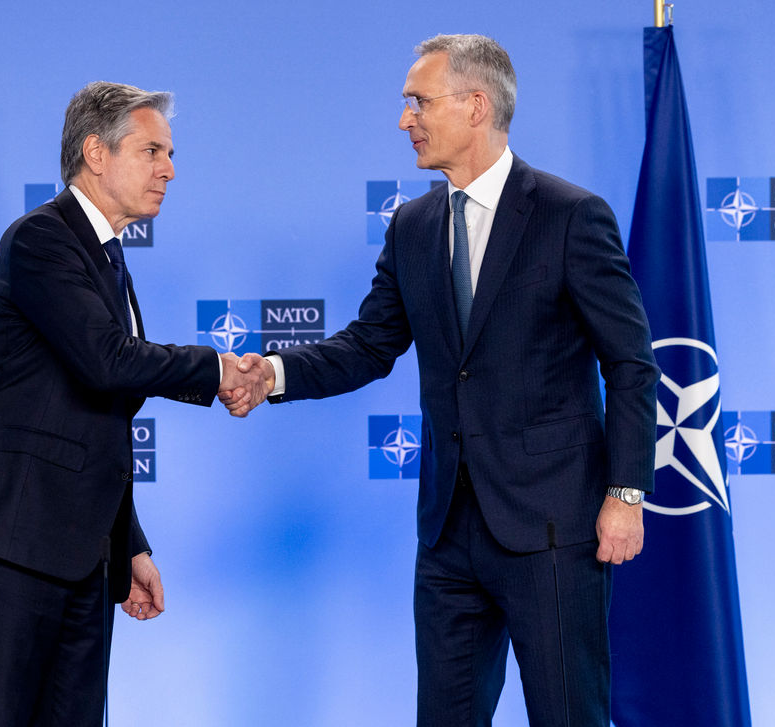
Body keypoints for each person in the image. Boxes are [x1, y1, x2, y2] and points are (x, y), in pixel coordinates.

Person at [222, 35, 659, 726]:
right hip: (448, 536)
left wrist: (626, 492)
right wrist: (271, 373)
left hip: (553, 529)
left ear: (477, 105)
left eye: (419, 101)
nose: (406, 119)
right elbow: (369, 344)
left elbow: (631, 363)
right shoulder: (414, 225)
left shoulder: (571, 215)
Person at [0, 81, 265, 727]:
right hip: (12, 536)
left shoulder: (110, 260)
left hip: (82, 550)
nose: (169, 169)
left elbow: (93, 418)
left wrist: (130, 544)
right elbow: (105, 360)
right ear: (95, 151)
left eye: (168, 154)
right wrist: (217, 366)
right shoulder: (41, 239)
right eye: (152, 150)